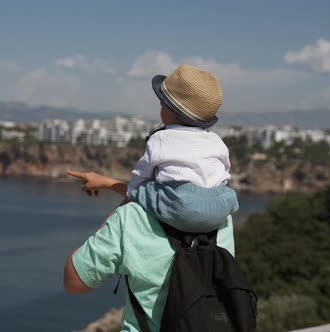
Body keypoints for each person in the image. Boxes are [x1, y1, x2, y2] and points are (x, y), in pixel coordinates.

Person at [64, 64, 238, 331]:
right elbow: (174, 200)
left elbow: (74, 281)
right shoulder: (221, 217)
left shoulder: (130, 219)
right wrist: (110, 183)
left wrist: (119, 213)